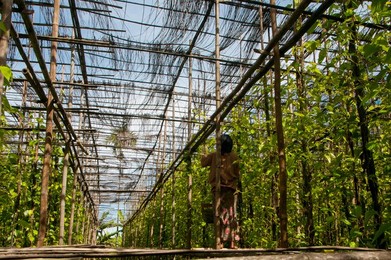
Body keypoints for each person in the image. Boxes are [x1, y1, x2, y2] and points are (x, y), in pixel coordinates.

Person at [201, 134, 240, 249]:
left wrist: (204, 149)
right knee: (231, 214)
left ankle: (220, 242)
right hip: (230, 189)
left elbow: (203, 162)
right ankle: (232, 242)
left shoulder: (215, 155)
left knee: (219, 214)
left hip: (219, 189)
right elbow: (237, 173)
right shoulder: (234, 156)